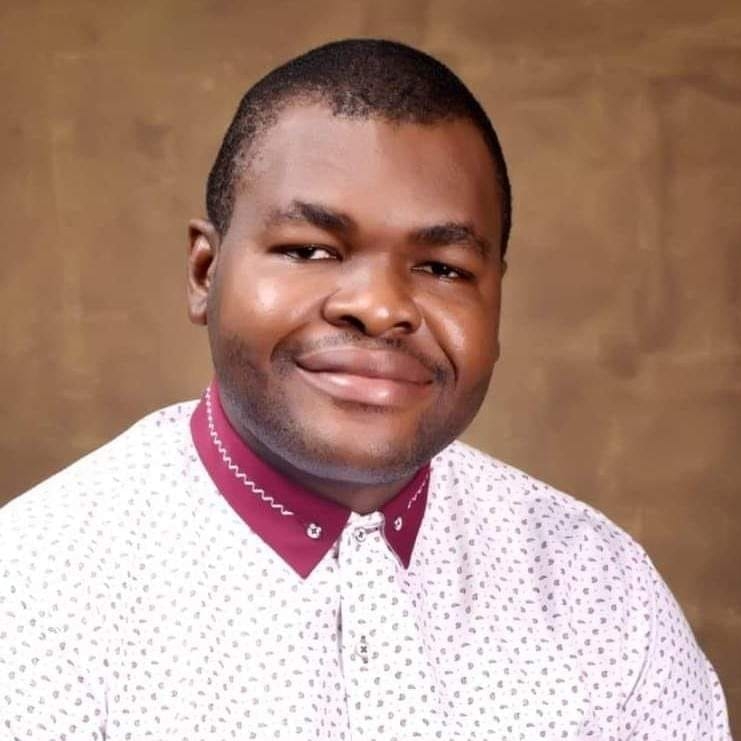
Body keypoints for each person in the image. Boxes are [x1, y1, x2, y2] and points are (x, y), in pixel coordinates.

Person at [0, 39, 731, 740]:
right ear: (205, 272)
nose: (380, 308)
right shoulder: (35, 595)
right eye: (310, 250)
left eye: (443, 268)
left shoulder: (600, 588)